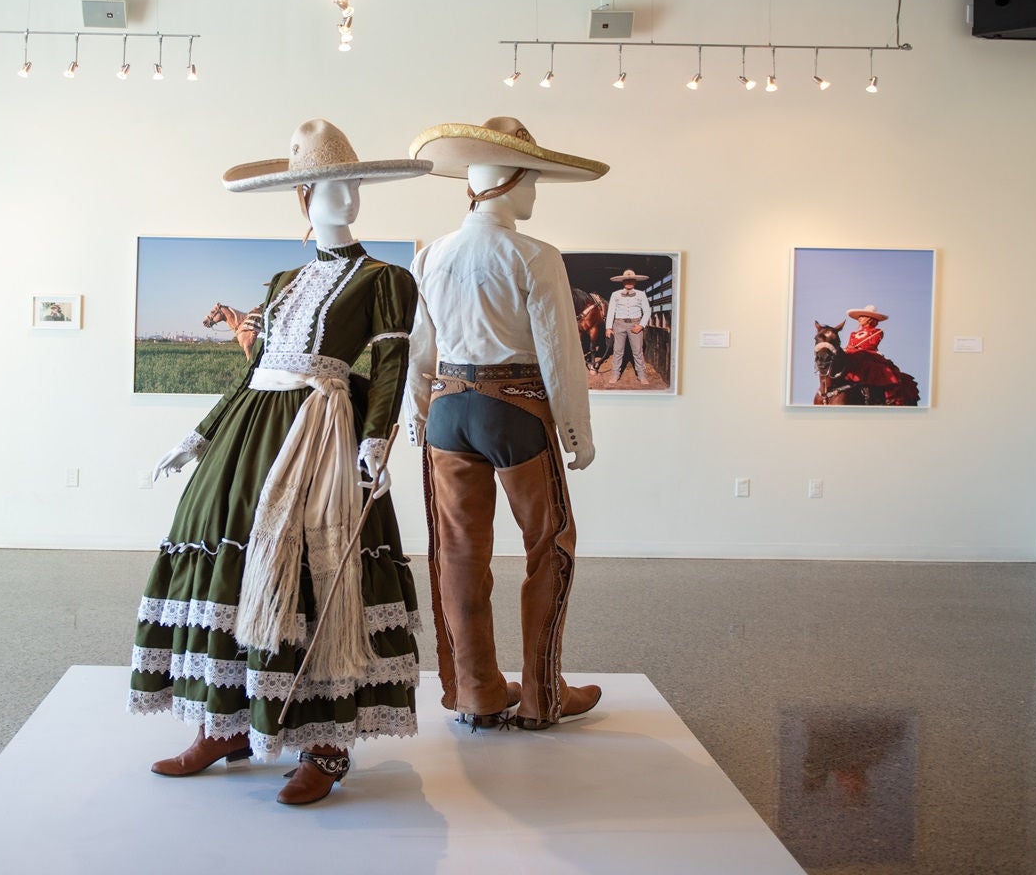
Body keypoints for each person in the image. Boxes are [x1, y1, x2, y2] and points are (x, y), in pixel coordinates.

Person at [130, 119, 431, 806]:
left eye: (355, 181)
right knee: (232, 565)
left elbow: (389, 366)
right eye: (331, 184)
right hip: (248, 438)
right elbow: (255, 370)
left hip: (322, 435)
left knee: (317, 573)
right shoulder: (285, 279)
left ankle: (326, 744)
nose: (348, 195)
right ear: (302, 196)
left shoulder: (386, 278)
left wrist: (377, 441)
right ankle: (226, 721)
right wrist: (199, 436)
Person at [403, 116, 610, 731]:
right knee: (550, 547)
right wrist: (576, 432)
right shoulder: (535, 255)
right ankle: (544, 696)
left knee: (458, 553)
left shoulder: (430, 255)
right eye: (533, 179)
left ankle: (478, 694)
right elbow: (560, 355)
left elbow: (419, 349)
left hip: (447, 412)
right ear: (511, 182)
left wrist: (416, 417)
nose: (536, 193)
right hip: (514, 412)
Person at [605, 269, 652, 384]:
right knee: (618, 351)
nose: (629, 283)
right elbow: (611, 311)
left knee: (637, 351)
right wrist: (608, 327)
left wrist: (641, 325)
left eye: (631, 280)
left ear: (635, 282)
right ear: (623, 282)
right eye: (626, 280)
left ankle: (641, 375)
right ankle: (615, 375)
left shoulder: (641, 294)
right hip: (619, 324)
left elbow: (647, 311)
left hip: (635, 324)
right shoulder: (615, 294)